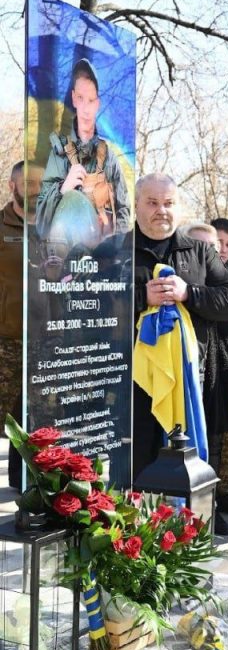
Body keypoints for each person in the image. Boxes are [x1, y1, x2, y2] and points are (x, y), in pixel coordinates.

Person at [132, 175, 228, 481]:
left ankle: (182, 527)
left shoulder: (200, 252)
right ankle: (140, 526)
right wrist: (142, 297)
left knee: (185, 466)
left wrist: (188, 293)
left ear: (178, 208)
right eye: (152, 203)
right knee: (140, 467)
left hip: (190, 378)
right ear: (137, 204)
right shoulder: (116, 250)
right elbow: (95, 303)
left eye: (168, 203)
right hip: (135, 382)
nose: (161, 210)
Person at [181, 222, 228, 533]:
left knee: (221, 440)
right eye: (207, 246)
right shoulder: (181, 281)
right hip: (194, 375)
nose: (215, 252)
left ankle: (218, 498)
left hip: (226, 372)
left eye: (220, 246)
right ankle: (201, 507)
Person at [36, 59, 131, 244]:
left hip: (102, 259)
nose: (86, 107)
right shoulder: (58, 153)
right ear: (73, 98)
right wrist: (63, 189)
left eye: (91, 100)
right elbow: (40, 220)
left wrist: (113, 253)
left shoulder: (108, 156)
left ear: (98, 103)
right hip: (65, 256)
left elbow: (123, 209)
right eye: (80, 98)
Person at [1, 161, 42, 489]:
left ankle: (23, 483)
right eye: (27, 182)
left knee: (34, 419)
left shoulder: (56, 229)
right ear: (12, 185)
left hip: (46, 339)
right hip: (6, 338)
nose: (35, 189)